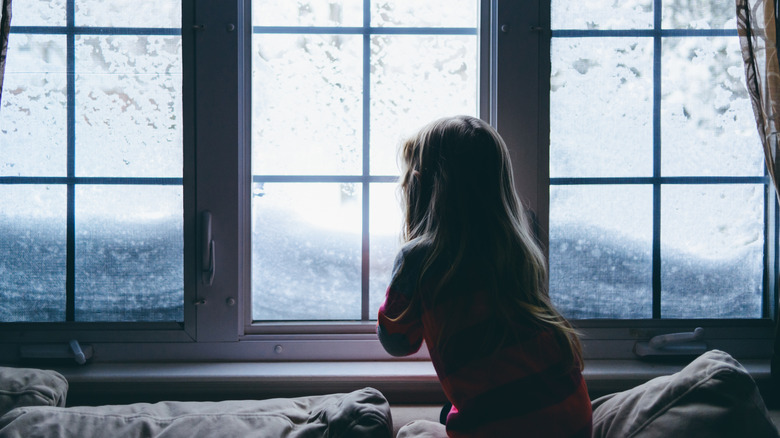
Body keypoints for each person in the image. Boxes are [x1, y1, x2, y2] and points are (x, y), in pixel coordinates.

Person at [377, 115, 592, 437]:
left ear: (418, 186)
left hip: (506, 429)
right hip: (573, 422)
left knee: (412, 431)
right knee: (448, 410)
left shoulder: (420, 258)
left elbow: (396, 342)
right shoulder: (517, 251)